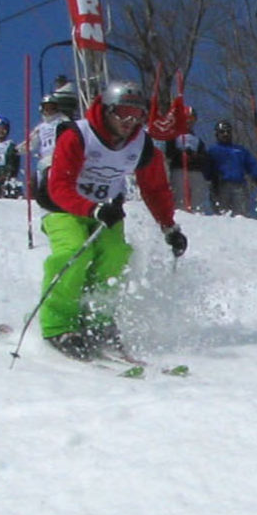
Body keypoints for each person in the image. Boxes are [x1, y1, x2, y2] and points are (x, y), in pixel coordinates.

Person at [36, 77, 188, 359]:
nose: (130, 122)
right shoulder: (78, 135)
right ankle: (58, 323)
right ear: (106, 109)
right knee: (74, 253)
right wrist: (90, 208)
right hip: (63, 207)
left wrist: (170, 228)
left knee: (116, 255)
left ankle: (97, 318)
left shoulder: (141, 146)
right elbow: (58, 186)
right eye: (123, 113)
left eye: (137, 115)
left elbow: (155, 189)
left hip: (106, 211)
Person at [205, 119, 257, 217]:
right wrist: (211, 177)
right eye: (222, 132)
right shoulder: (213, 150)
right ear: (217, 134)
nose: (225, 134)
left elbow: (251, 164)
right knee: (222, 213)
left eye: (228, 131)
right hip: (221, 185)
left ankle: (241, 229)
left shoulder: (239, 150)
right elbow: (206, 166)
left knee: (241, 214)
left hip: (239, 185)